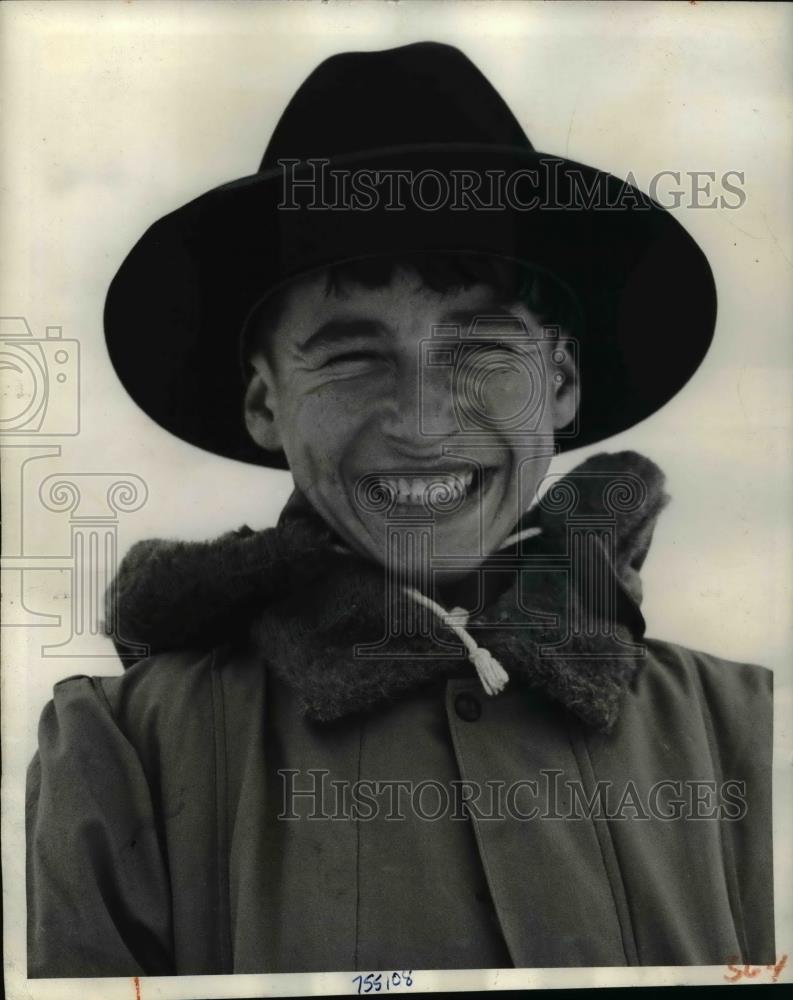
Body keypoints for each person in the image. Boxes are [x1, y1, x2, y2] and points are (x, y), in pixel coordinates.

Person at [26, 41, 774, 977]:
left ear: (562, 383)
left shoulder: (743, 732)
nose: (421, 421)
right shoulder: (126, 754)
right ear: (265, 404)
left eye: (482, 350)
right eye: (349, 356)